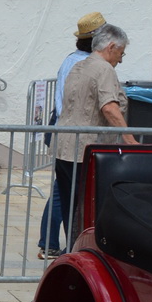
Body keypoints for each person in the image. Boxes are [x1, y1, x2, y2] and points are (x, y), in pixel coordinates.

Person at [55, 22, 136, 244]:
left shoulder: (78, 66)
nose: (120, 59)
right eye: (121, 53)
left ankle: (73, 252)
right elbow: (109, 107)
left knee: (71, 209)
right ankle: (82, 255)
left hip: (65, 148)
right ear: (111, 47)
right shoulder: (103, 69)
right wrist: (131, 140)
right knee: (86, 210)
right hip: (85, 151)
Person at [38, 10, 104, 258]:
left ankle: (49, 241)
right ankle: (54, 242)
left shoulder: (74, 59)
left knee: (62, 189)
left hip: (64, 126)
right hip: (69, 127)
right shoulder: (80, 63)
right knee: (64, 191)